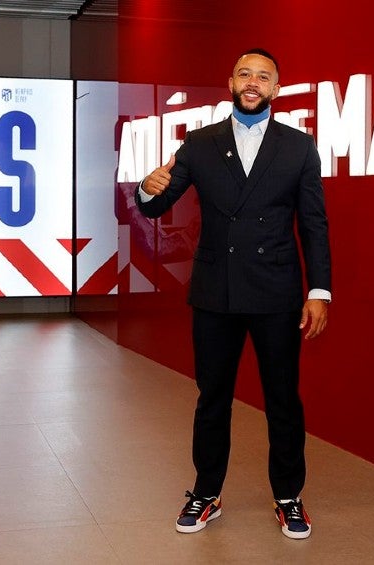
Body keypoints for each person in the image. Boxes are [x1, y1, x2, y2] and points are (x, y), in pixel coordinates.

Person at [137, 48, 332, 540]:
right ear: (230, 82)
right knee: (212, 398)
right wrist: (146, 187)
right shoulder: (200, 143)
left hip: (277, 292)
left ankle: (288, 496)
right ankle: (206, 492)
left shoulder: (299, 147)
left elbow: (313, 224)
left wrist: (319, 290)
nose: (252, 82)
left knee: (282, 400)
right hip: (215, 293)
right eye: (245, 73)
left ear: (276, 89)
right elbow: (158, 204)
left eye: (263, 76)